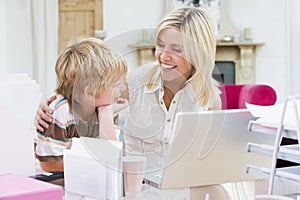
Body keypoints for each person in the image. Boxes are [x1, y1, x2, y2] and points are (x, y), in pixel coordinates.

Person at [34, 37, 128, 173]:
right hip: (51, 182)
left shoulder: (104, 109)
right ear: (89, 90)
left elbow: (111, 158)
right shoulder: (62, 111)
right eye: (117, 85)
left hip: (81, 180)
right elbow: (48, 165)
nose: (123, 88)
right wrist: (91, 162)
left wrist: (106, 113)